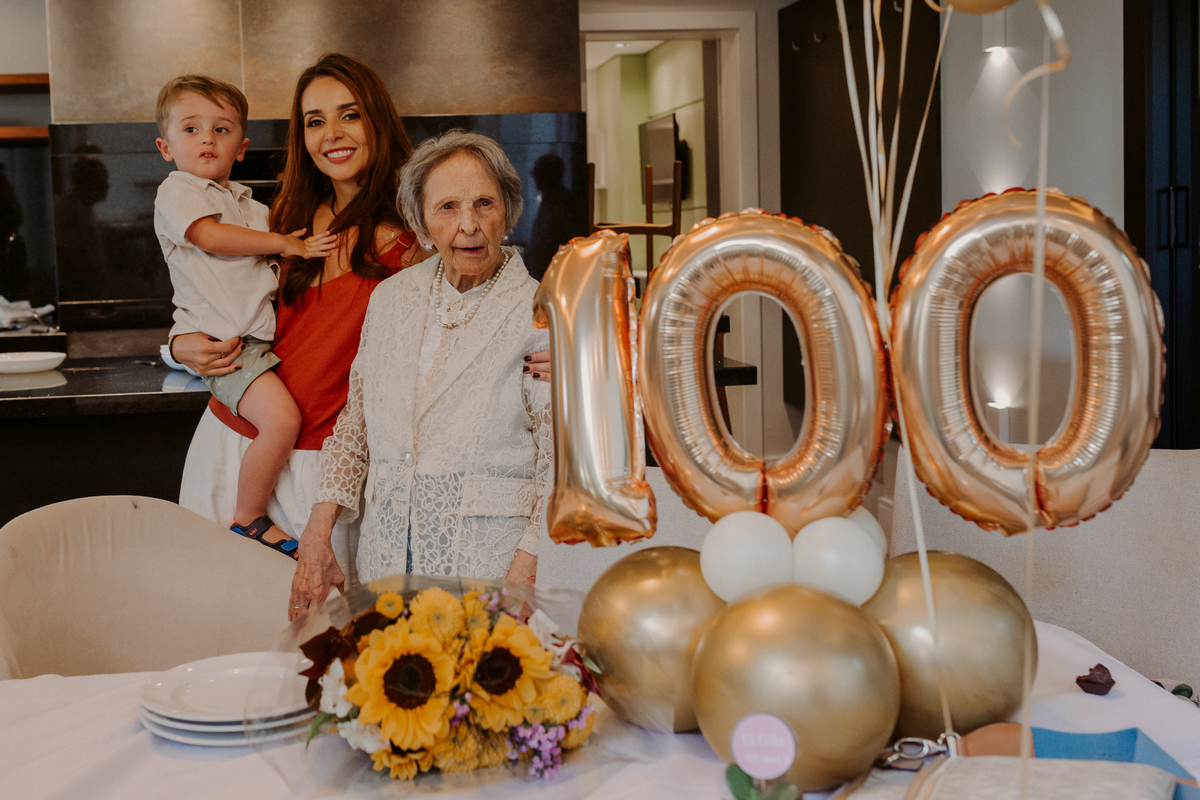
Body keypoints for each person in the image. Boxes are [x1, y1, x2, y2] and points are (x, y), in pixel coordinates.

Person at [171, 55, 553, 579]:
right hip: (233, 444)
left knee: (314, 627)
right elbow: (208, 294)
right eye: (315, 121)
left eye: (349, 114)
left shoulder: (422, 233)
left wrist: (571, 352)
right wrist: (177, 345)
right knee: (214, 617)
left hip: (324, 470)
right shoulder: (282, 218)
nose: (332, 133)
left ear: (377, 120)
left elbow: (482, 330)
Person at [288, 130, 552, 619]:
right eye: (447, 207)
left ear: (508, 211)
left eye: (484, 203)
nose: (469, 225)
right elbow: (356, 425)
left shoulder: (540, 314)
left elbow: (559, 463)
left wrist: (525, 572)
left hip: (487, 567)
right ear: (421, 221)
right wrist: (317, 530)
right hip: (385, 559)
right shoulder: (390, 300)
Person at [154, 75, 339, 557]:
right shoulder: (177, 192)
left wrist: (290, 247)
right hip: (232, 348)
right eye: (191, 129)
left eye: (221, 129)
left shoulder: (253, 208)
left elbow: (274, 274)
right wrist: (285, 243)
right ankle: (250, 516)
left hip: (256, 347)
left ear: (242, 148)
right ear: (165, 148)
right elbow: (212, 238)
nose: (207, 139)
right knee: (281, 421)